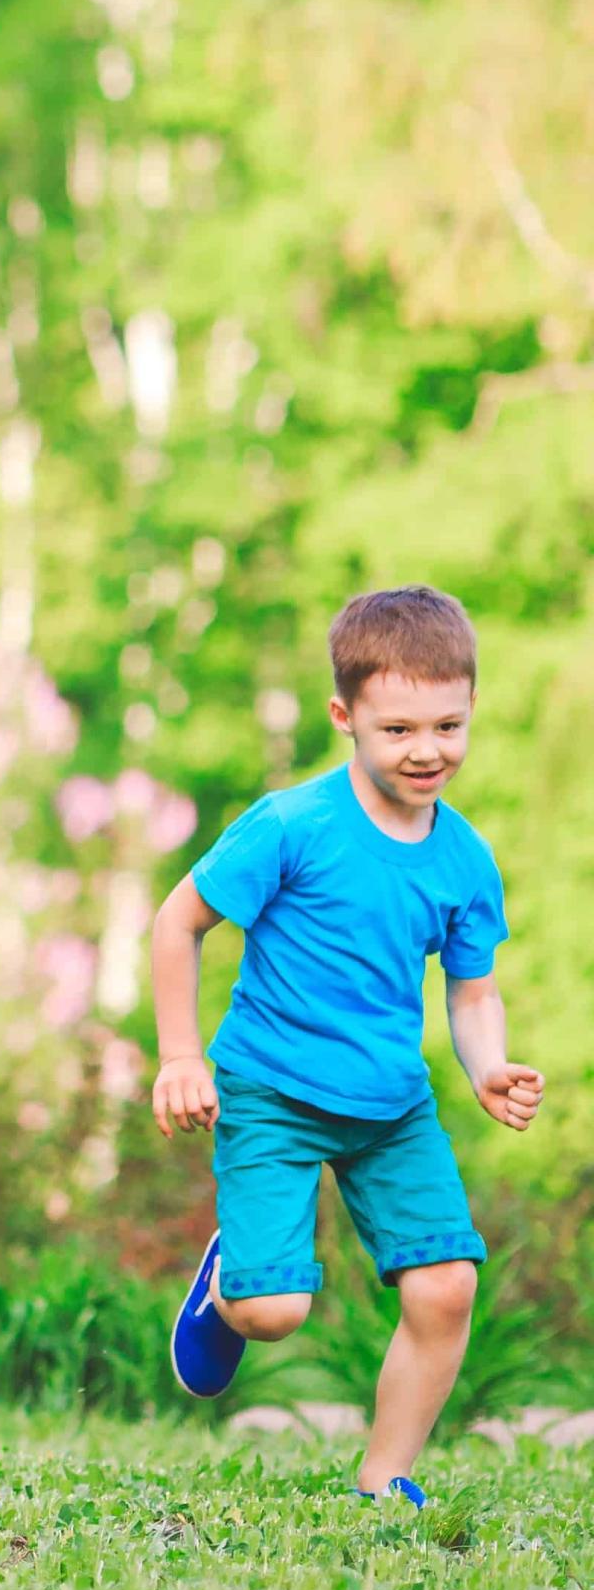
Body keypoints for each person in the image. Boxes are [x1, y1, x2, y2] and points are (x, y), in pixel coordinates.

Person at [148, 585, 542, 1511]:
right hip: (271, 1089)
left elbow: (472, 990)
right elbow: (178, 920)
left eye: (447, 725)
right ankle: (230, 1284)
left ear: (472, 707)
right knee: (273, 1312)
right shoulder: (294, 824)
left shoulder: (465, 860)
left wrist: (487, 1064)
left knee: (446, 1285)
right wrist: (180, 1056)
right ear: (345, 716)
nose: (426, 749)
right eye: (398, 728)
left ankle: (383, 1476)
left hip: (391, 1107)